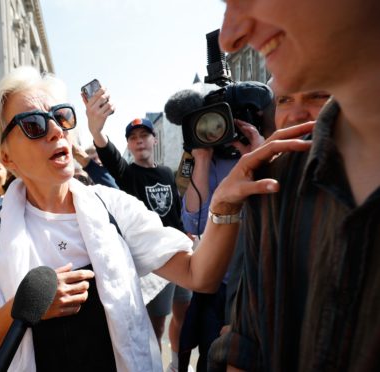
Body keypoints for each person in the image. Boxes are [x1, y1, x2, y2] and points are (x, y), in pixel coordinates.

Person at [0, 66, 311, 371]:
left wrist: (225, 205)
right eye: (34, 125)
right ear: (6, 157)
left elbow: (199, 273)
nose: (56, 130)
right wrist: (22, 308)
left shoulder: (111, 206)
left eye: (61, 117)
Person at [208, 0, 380, 371]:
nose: (231, 35)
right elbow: (245, 346)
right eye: (284, 101)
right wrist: (221, 206)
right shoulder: (275, 183)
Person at [164, 82, 273, 372]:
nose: (216, 130)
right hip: (220, 285)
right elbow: (195, 223)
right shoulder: (203, 158)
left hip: (262, 284)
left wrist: (259, 158)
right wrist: (201, 158)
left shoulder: (271, 148)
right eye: (208, 123)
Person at [86, 85, 191, 367]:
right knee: (154, 329)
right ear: (129, 146)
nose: (139, 141)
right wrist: (97, 130)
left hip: (180, 253)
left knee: (184, 318)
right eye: (133, 138)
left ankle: (178, 365)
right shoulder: (127, 173)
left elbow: (177, 212)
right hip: (153, 264)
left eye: (144, 135)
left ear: (154, 139)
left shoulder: (168, 173)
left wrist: (188, 235)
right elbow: (106, 151)